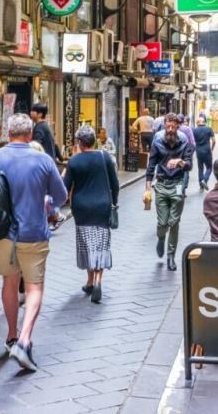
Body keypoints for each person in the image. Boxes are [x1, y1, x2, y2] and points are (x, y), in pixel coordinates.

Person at [0, 113, 67, 372]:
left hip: (3, 233)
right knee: (34, 287)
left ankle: (11, 335)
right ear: (30, 135)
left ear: (8, 134)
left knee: (8, 283)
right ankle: (25, 339)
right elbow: (61, 197)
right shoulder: (43, 160)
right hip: (33, 232)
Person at [63, 127, 119, 304]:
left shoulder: (74, 161)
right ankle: (97, 280)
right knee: (101, 243)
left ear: (80, 142)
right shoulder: (105, 157)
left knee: (86, 243)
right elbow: (115, 184)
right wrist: (114, 202)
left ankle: (88, 280)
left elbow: (65, 187)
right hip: (102, 205)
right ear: (94, 140)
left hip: (81, 207)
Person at [145, 113, 192, 271]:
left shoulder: (184, 141)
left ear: (178, 126)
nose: (170, 129)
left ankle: (171, 256)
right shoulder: (157, 141)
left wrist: (181, 162)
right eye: (168, 126)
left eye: (173, 126)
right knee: (162, 222)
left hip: (178, 184)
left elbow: (189, 165)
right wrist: (147, 189)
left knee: (174, 223)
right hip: (162, 185)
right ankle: (160, 237)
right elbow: (151, 165)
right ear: (164, 125)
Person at [30, 103, 65, 230]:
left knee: (42, 193)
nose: (31, 113)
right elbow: (54, 144)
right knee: (44, 193)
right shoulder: (46, 127)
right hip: (49, 163)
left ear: (39, 114)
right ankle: (53, 216)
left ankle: (56, 215)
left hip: (42, 165)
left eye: (33, 111)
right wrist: (60, 158)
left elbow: (35, 145)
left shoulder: (39, 128)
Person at [192, 115, 216, 191]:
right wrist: (212, 149)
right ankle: (204, 180)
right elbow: (214, 141)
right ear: (204, 122)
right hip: (207, 150)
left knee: (200, 168)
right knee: (209, 167)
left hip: (198, 151)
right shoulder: (209, 129)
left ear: (197, 123)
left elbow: (192, 142)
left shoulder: (194, 130)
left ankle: (201, 186)